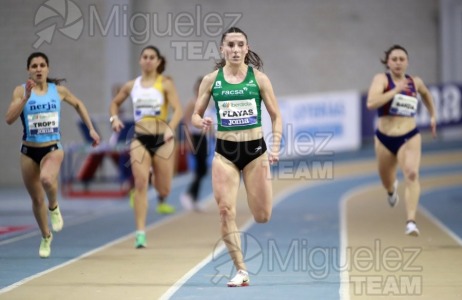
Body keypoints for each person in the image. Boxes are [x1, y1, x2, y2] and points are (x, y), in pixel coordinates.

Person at [192, 27, 282, 287]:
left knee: (263, 215)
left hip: (255, 153)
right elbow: (195, 115)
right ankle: (241, 270)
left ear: (247, 48)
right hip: (225, 154)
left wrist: (275, 147)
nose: (234, 49)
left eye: (239, 44)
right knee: (224, 210)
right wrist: (201, 121)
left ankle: (243, 265)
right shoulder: (211, 80)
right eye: (229, 45)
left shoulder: (259, 78)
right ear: (222, 49)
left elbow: (276, 116)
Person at [5, 52, 101, 258]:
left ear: (47, 68)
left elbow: (78, 104)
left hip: (52, 148)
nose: (38, 69)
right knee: (36, 199)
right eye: (34, 66)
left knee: (47, 179)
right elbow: (9, 119)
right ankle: (45, 236)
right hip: (28, 151)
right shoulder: (20, 91)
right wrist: (25, 99)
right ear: (28, 70)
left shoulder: (58, 91)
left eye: (42, 65)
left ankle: (54, 207)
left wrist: (91, 129)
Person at [109, 45, 183, 248]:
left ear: (158, 62)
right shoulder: (132, 85)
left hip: (162, 141)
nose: (149, 60)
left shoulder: (165, 84)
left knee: (164, 188)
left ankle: (154, 178)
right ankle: (140, 232)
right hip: (140, 138)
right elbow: (114, 103)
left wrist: (171, 128)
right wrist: (114, 118)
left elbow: (178, 110)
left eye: (152, 57)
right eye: (145, 57)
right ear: (140, 61)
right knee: (140, 183)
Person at [366, 44, 437, 237]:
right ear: (387, 62)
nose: (398, 62)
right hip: (384, 138)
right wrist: (395, 90)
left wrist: (432, 116)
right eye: (394, 59)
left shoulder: (416, 82)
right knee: (386, 181)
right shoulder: (382, 80)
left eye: (401, 59)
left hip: (409, 135)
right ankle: (391, 190)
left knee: (412, 174)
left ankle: (411, 222)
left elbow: (426, 95)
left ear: (407, 62)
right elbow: (371, 103)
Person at [180, 76, 215, 211]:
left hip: (203, 137)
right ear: (196, 89)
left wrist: (212, 135)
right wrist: (188, 142)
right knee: (200, 169)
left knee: (203, 170)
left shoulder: (207, 103)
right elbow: (186, 123)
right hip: (194, 138)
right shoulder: (192, 103)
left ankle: (193, 198)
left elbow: (208, 121)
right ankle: (188, 194)